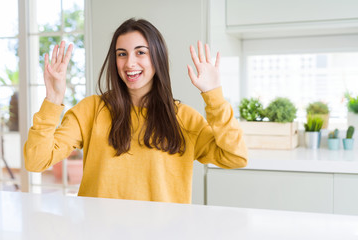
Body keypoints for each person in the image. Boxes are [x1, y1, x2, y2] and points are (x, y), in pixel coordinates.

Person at [24, 18, 248, 204]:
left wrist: (214, 95)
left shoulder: (184, 118)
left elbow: (235, 157)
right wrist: (53, 99)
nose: (129, 63)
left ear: (157, 57)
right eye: (122, 54)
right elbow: (36, 161)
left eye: (140, 52)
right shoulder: (91, 110)